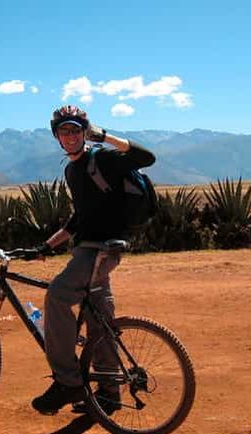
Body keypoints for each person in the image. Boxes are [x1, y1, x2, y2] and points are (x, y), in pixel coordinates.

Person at [29, 105, 156, 415]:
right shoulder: (72, 170)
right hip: (91, 248)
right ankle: (109, 393)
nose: (70, 136)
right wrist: (47, 245)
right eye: (64, 131)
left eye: (76, 130)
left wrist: (104, 136)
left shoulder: (103, 158)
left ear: (84, 132)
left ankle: (68, 381)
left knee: (58, 296)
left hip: (101, 250)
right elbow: (79, 219)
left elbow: (146, 158)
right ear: (56, 136)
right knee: (100, 322)